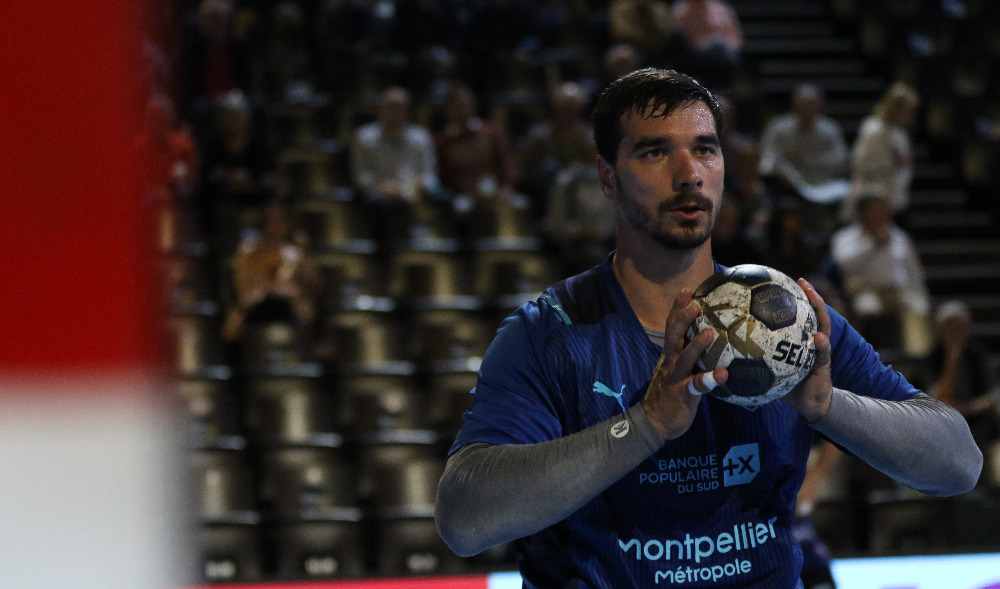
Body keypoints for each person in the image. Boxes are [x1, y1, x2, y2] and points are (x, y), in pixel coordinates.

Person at [435, 68, 981, 588]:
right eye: (654, 151)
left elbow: (958, 463)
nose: (688, 173)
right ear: (607, 176)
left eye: (705, 148)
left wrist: (827, 408)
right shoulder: (548, 333)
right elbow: (465, 521)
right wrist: (647, 424)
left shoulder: (788, 317)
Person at [829, 195, 932, 356]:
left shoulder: (900, 237)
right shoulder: (845, 237)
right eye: (876, 212)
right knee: (867, 309)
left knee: (918, 309)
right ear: (864, 214)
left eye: (884, 211)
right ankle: (869, 358)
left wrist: (922, 295)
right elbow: (842, 264)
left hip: (898, 292)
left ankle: (916, 362)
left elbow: (914, 271)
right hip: (866, 292)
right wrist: (873, 244)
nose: (882, 216)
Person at [922, 300, 1000, 485]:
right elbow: (937, 399)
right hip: (944, 425)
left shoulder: (979, 354)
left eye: (960, 327)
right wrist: (952, 359)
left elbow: (993, 396)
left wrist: (968, 408)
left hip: (977, 421)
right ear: (939, 330)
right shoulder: (932, 358)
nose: (955, 333)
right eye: (950, 327)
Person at [351, 86, 443, 243]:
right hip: (381, 195)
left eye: (400, 107)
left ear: (408, 111)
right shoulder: (364, 137)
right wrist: (382, 187)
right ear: (381, 109)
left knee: (440, 200)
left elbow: (430, 176)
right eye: (391, 107)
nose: (395, 112)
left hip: (414, 193)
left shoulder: (421, 137)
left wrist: (420, 185)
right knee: (382, 206)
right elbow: (361, 177)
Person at [758, 83, 850, 236]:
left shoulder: (830, 129)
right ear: (794, 105)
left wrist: (807, 159)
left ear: (819, 106)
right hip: (788, 186)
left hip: (823, 185)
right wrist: (785, 157)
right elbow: (766, 160)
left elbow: (841, 161)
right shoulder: (778, 127)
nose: (807, 111)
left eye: (811, 106)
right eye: (802, 106)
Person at [841, 82, 920, 224]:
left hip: (893, 200)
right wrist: (890, 164)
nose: (911, 117)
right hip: (869, 200)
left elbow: (905, 167)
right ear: (896, 109)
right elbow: (858, 164)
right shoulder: (873, 130)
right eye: (909, 111)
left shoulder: (900, 134)